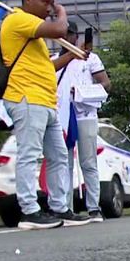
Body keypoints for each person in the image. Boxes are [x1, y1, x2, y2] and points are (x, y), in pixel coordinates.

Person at [1, 0, 91, 229]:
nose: (50, 8)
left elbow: (47, 67)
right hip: (26, 97)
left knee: (59, 156)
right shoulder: (19, 20)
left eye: (53, 4)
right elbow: (60, 30)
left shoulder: (34, 34)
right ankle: (29, 210)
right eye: (46, 2)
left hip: (45, 100)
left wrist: (71, 56)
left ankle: (60, 207)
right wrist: (62, 12)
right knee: (30, 155)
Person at [53, 22, 111, 221]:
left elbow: (106, 84)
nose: (66, 38)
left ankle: (93, 207)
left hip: (85, 114)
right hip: (62, 116)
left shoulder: (90, 59)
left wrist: (83, 92)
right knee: (64, 163)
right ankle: (66, 208)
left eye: (69, 34)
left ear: (76, 36)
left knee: (88, 161)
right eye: (62, 34)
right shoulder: (54, 60)